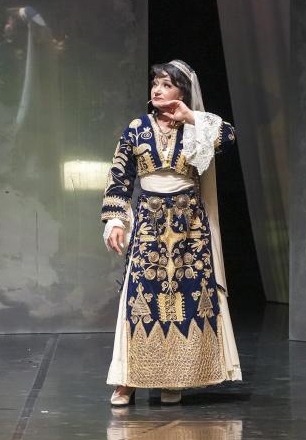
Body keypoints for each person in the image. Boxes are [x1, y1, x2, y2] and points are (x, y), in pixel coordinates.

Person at [102, 60, 242, 406]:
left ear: (182, 91)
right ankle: (128, 380)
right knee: (140, 298)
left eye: (166, 85)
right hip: (149, 225)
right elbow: (119, 175)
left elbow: (228, 136)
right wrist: (115, 220)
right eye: (156, 83)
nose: (158, 90)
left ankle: (174, 378)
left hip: (189, 228)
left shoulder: (196, 129)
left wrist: (191, 117)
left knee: (187, 299)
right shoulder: (138, 127)